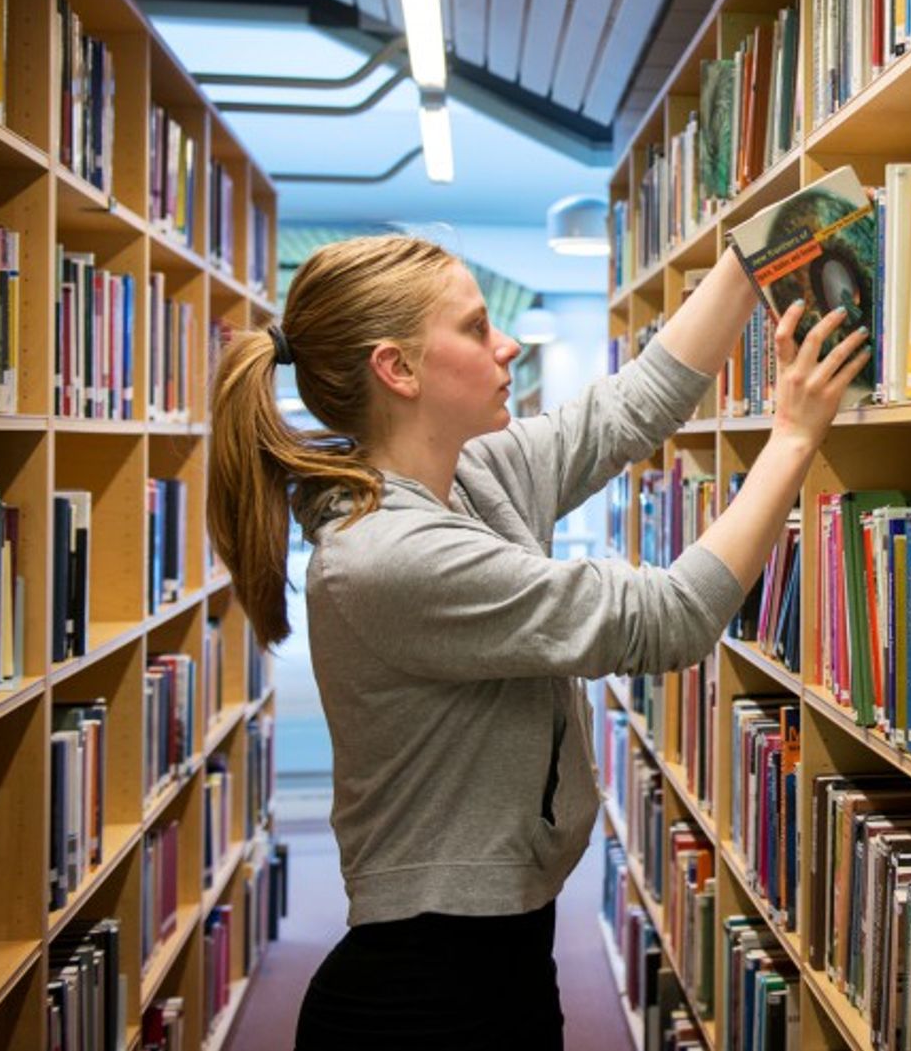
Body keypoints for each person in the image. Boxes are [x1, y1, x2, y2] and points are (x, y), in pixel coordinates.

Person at [207, 234, 869, 1050]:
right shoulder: (385, 555)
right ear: (398, 369)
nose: (507, 343)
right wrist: (793, 439)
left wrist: (754, 256)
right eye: (477, 327)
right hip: (421, 996)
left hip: (506, 956)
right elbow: (667, 617)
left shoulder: (471, 476)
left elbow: (628, 408)